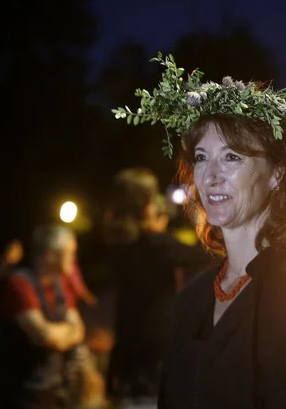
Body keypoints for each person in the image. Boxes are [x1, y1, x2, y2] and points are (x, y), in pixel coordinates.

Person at [113, 55, 286, 409]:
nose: (211, 175)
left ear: (277, 174)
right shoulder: (193, 297)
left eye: (232, 157)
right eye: (201, 157)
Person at [103, 168, 211, 405]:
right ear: (144, 207)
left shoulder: (119, 245)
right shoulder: (156, 246)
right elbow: (205, 256)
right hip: (155, 364)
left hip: (130, 358)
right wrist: (200, 221)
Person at [0, 225, 85, 409]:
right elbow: (44, 335)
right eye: (70, 253)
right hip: (19, 392)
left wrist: (59, 336)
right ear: (50, 254)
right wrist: (65, 333)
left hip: (49, 387)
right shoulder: (19, 284)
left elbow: (79, 329)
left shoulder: (61, 285)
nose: (74, 260)